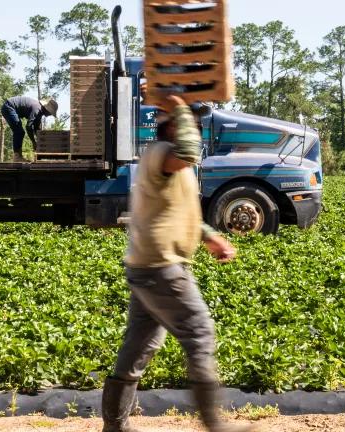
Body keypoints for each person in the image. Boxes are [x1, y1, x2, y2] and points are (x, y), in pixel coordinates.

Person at [102, 95, 259, 432]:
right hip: (162, 267)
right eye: (192, 125)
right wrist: (178, 106)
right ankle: (215, 425)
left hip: (148, 266)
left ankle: (115, 427)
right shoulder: (161, 154)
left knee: (140, 344)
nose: (198, 132)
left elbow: (179, 209)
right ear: (174, 126)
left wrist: (209, 236)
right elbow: (188, 150)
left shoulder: (175, 164)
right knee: (199, 331)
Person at [1, 96, 58, 162]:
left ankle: (18, 156)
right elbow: (28, 126)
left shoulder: (39, 112)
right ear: (47, 110)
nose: (50, 115)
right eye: (50, 113)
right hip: (9, 107)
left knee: (20, 131)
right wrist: (33, 142)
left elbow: (37, 128)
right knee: (19, 132)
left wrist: (41, 142)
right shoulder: (37, 109)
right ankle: (17, 157)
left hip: (10, 107)